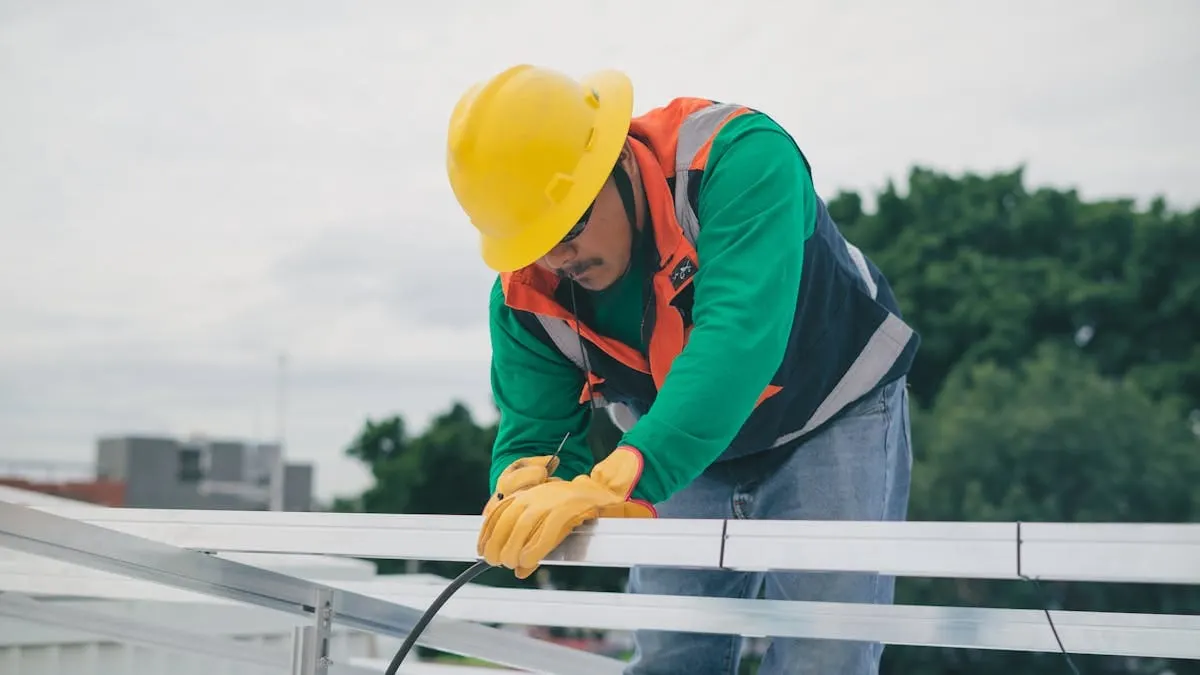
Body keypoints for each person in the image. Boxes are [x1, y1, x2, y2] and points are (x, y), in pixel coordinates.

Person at [445, 64, 919, 675]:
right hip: (672, 440)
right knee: (672, 651)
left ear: (615, 162)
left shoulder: (738, 160)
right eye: (534, 242)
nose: (558, 259)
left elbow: (736, 342)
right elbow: (540, 437)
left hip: (829, 410)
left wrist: (622, 478)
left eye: (568, 228)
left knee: (824, 652)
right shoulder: (525, 297)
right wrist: (525, 486)